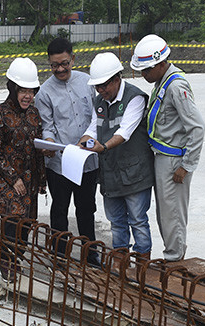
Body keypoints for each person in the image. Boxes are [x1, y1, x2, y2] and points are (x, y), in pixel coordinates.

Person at [130, 34, 205, 262]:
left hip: (174, 161)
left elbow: (198, 127)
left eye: (147, 70)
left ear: (161, 64)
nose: (144, 75)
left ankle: (174, 260)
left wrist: (186, 166)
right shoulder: (162, 82)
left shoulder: (175, 87)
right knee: (165, 212)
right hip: (162, 157)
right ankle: (172, 255)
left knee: (172, 214)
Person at [77, 52, 154, 260]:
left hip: (135, 175)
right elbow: (94, 127)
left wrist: (103, 147)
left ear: (117, 79)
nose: (101, 91)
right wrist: (82, 141)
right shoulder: (99, 101)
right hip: (110, 175)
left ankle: (142, 268)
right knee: (117, 222)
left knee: (138, 221)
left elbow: (125, 132)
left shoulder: (135, 98)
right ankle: (121, 265)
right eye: (97, 87)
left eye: (104, 86)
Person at [35, 37, 100, 266]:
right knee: (60, 208)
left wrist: (90, 139)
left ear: (73, 58)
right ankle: (60, 253)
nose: (60, 69)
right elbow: (47, 125)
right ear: (49, 64)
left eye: (64, 63)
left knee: (86, 208)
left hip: (87, 161)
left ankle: (90, 253)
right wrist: (49, 142)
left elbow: (96, 116)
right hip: (59, 163)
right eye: (54, 65)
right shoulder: (44, 92)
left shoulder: (88, 82)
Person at [0, 57, 46, 282]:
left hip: (29, 177)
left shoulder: (34, 114)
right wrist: (13, 178)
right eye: (22, 90)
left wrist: (41, 179)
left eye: (31, 91)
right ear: (12, 88)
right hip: (5, 179)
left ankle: (17, 257)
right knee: (12, 220)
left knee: (28, 222)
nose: (27, 96)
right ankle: (6, 261)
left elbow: (37, 148)